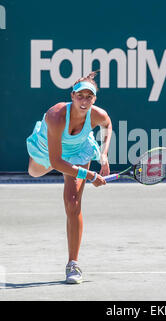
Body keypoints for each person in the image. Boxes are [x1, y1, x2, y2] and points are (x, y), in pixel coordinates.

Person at [26, 70, 112, 284]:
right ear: (72, 96)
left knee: (73, 204)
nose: (84, 101)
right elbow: (56, 163)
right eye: (80, 96)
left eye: (89, 97)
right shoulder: (55, 116)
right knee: (34, 172)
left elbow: (107, 125)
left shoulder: (97, 114)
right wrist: (90, 175)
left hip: (78, 151)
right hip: (48, 150)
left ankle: (73, 264)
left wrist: (103, 153)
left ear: (94, 99)